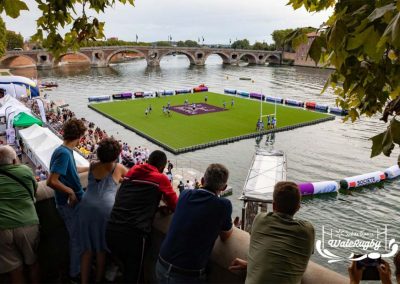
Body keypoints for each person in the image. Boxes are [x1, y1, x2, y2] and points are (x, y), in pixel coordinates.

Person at [106, 150, 178, 283]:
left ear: (148, 161)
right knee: (134, 276)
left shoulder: (132, 171)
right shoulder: (160, 178)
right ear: (162, 168)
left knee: (121, 270)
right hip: (134, 234)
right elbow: (176, 205)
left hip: (111, 228)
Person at [156, 163, 233, 283]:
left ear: (202, 180)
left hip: (162, 263)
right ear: (223, 188)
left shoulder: (185, 194)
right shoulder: (224, 205)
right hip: (187, 274)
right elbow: (225, 235)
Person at [229, 181, 315, 284]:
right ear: (298, 208)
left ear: (273, 205)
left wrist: (251, 265)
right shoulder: (307, 230)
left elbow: (269, 250)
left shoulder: (260, 219)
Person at [77, 138, 128, 284]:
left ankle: (84, 281)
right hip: (104, 210)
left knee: (87, 249)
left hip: (85, 206)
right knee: (100, 249)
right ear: (116, 154)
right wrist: (120, 180)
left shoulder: (93, 165)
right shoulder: (118, 168)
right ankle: (99, 280)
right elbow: (133, 177)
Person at [47, 118, 89, 281]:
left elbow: (70, 168)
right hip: (68, 204)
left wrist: (89, 167)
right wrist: (71, 192)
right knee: (76, 239)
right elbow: (52, 180)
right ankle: (75, 273)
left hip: (70, 203)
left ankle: (77, 269)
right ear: (79, 136)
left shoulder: (65, 150)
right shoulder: (64, 152)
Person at [0, 146, 40, 283]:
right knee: (32, 263)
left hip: (2, 228)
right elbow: (34, 191)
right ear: (13, 161)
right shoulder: (25, 171)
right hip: (27, 223)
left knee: (14, 270)